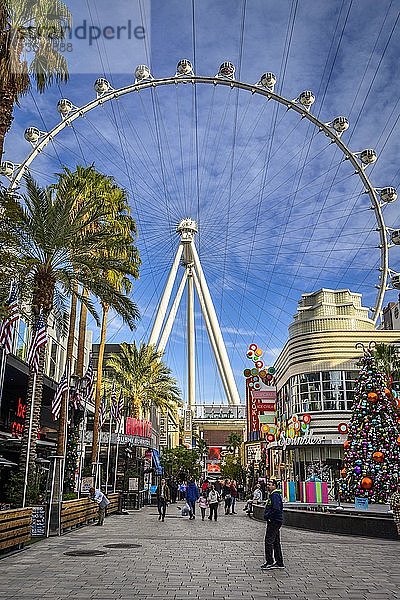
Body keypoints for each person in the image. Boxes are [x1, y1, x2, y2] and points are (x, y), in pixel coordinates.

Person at [261, 479, 284, 570]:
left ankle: (269, 562)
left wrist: (268, 516)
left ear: (274, 486)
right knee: (275, 542)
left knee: (268, 541)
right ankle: (279, 562)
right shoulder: (274, 495)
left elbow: (276, 508)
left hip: (274, 521)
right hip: (276, 520)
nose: (268, 486)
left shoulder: (274, 495)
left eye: (270, 484)